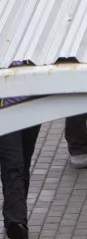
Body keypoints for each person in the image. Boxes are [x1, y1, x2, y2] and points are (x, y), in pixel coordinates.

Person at [0, 66, 39, 239]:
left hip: (32, 106)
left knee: (23, 163)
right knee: (13, 163)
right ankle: (16, 222)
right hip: (4, 110)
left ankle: (15, 216)